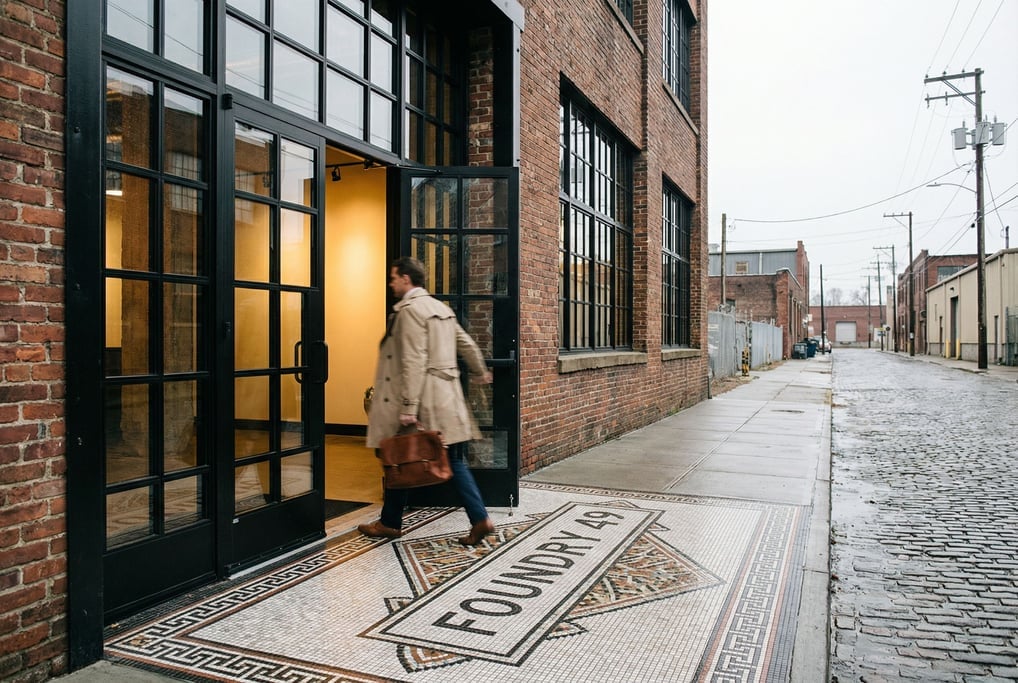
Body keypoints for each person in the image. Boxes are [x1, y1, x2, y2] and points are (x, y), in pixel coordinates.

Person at [359, 257, 496, 546]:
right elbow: (466, 342)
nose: (391, 283)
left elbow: (413, 359)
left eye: (394, 277)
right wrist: (480, 370)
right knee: (444, 460)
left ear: (407, 279)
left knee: (398, 457)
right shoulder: (439, 308)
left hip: (422, 401)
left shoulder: (409, 310)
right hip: (448, 398)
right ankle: (476, 518)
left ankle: (392, 522)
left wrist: (408, 407)